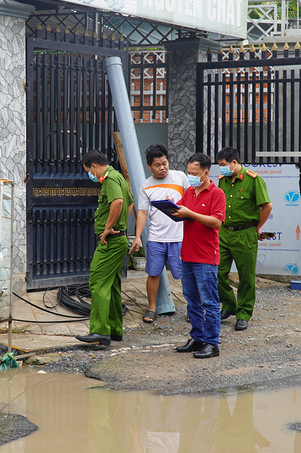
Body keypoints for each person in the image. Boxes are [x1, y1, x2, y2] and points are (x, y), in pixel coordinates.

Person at [76, 149, 133, 346]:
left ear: (94, 166)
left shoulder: (109, 179)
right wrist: (121, 224)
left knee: (98, 283)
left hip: (110, 242)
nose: (90, 175)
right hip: (120, 240)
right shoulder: (119, 177)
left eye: (88, 171)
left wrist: (109, 227)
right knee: (113, 286)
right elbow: (130, 204)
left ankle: (100, 331)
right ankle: (115, 329)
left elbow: (118, 202)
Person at [171, 153, 226, 359]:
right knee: (191, 300)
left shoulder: (216, 193)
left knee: (209, 302)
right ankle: (197, 338)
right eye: (188, 172)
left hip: (205, 257)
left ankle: (212, 343)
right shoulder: (189, 191)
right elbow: (181, 214)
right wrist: (171, 209)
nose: (191, 176)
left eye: (194, 173)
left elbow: (216, 222)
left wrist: (190, 214)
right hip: (187, 255)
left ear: (205, 173)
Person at [130, 143, 189, 324]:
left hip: (179, 237)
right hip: (156, 238)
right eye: (157, 165)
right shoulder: (146, 185)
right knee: (153, 273)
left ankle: (192, 308)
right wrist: (138, 236)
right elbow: (142, 212)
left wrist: (178, 204)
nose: (162, 168)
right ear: (149, 166)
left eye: (165, 163)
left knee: (186, 273)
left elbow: (191, 201)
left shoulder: (180, 177)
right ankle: (152, 308)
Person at [216, 147, 273, 331]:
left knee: (246, 277)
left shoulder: (253, 180)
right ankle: (229, 305)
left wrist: (257, 228)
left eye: (224, 165)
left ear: (234, 162)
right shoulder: (222, 181)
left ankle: (243, 313)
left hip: (245, 233)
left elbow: (267, 206)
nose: (222, 169)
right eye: (219, 166)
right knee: (216, 271)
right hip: (224, 233)